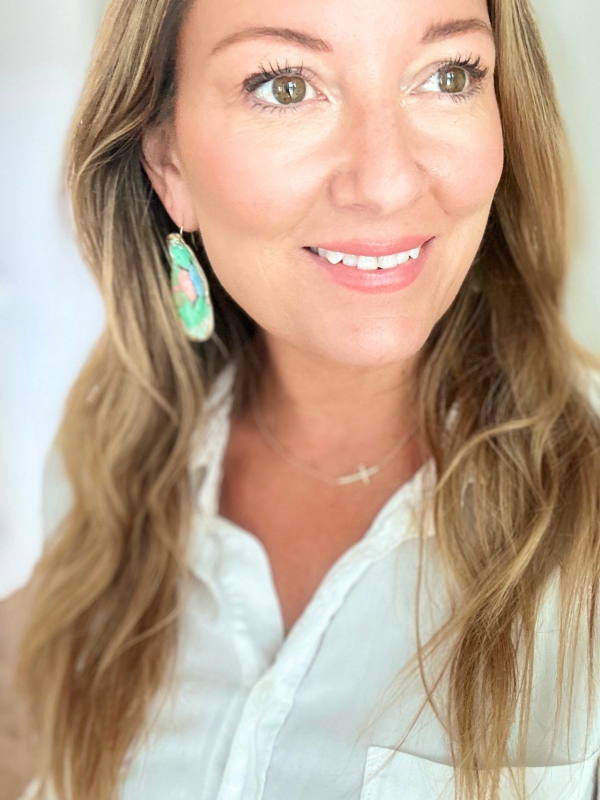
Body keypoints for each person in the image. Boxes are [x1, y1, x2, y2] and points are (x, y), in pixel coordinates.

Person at [14, 0, 600, 797]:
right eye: (286, 86)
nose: (387, 181)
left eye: (449, 75)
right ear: (168, 165)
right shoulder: (99, 472)